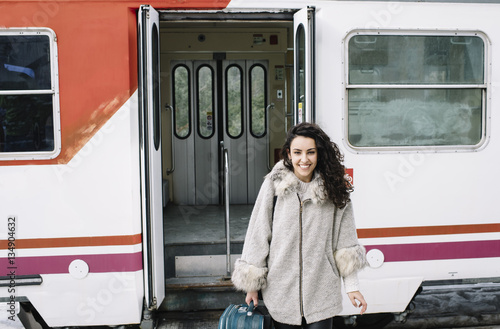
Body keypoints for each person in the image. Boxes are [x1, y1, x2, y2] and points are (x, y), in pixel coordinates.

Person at [232, 122, 367, 329]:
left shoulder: (335, 189)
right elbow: (258, 233)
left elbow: (346, 243)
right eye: (298, 152)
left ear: (319, 154)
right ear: (288, 154)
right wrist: (252, 286)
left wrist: (352, 287)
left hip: (322, 292)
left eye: (311, 152)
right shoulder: (274, 185)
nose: (304, 159)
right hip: (281, 292)